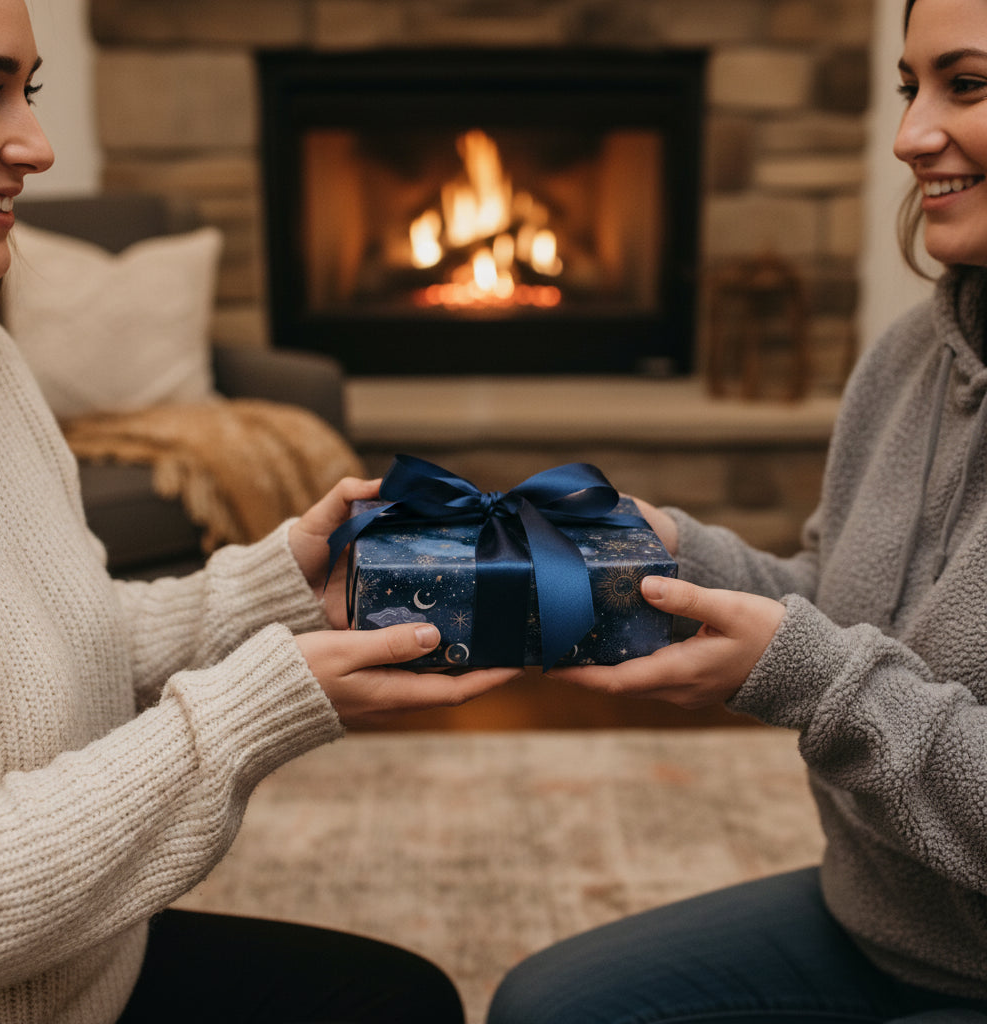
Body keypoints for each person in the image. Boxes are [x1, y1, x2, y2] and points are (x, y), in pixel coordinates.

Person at [0, 2, 521, 1022]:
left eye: (29, 94)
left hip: (89, 971)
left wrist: (283, 587)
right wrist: (261, 702)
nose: (37, 147)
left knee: (407, 1000)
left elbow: (52, 637)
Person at [487, 0, 987, 1021]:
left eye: (965, 85)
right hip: (889, 924)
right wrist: (678, 554)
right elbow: (840, 603)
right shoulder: (909, 358)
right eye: (908, 87)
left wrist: (802, 673)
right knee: (545, 1008)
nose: (907, 137)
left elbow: (826, 657)